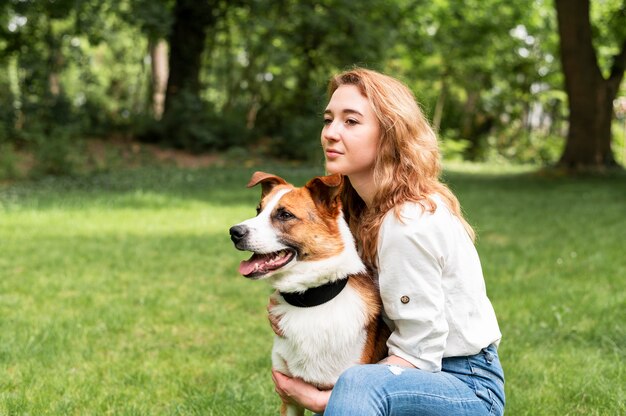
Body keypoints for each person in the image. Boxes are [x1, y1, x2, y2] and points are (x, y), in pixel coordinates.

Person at [270, 67, 505, 415]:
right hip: (411, 373)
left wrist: (325, 400)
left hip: (465, 386)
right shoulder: (353, 209)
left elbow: (419, 356)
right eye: (328, 119)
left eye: (351, 122)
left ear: (389, 135)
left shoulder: (406, 222)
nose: (331, 133)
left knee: (357, 382)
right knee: (357, 380)